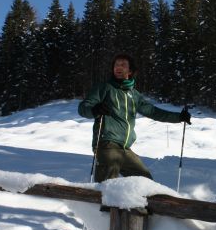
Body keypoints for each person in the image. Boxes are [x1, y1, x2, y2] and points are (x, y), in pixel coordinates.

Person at [78, 53, 191, 183]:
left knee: (145, 181)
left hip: (125, 148)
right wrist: (94, 109)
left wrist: (179, 117)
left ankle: (138, 204)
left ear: (130, 71)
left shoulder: (135, 95)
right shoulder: (104, 87)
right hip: (107, 143)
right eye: (116, 65)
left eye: (123, 65)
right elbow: (83, 108)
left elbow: (153, 111)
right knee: (108, 186)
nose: (118, 67)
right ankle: (105, 203)